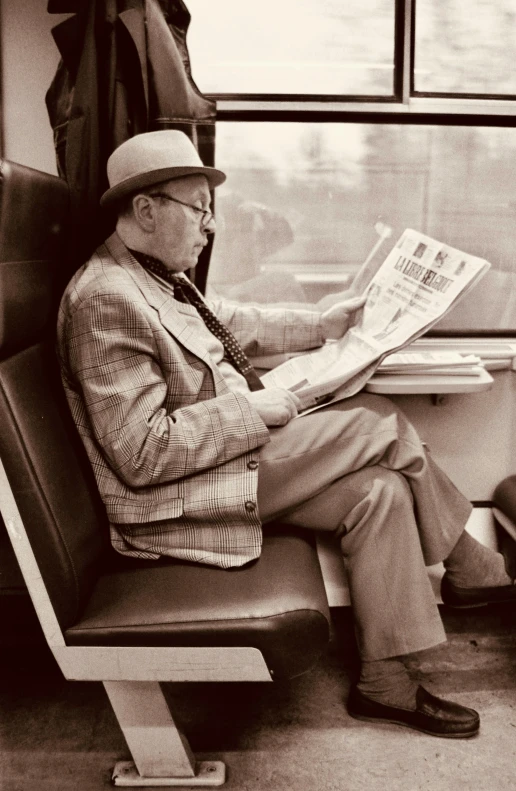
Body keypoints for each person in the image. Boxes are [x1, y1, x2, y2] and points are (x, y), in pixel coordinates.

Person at [57, 130, 516, 739]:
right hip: (166, 500)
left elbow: (231, 324)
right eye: (200, 209)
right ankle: (473, 569)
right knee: (379, 422)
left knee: (380, 491)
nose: (210, 226)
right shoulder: (105, 298)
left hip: (219, 465)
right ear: (147, 210)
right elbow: (141, 454)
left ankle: (385, 681)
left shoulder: (155, 274)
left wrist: (321, 324)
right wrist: (259, 411)